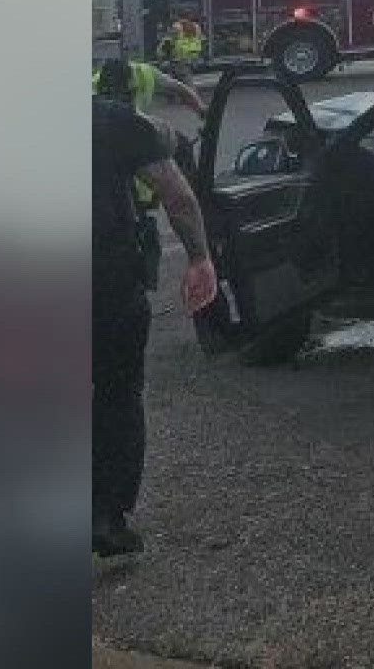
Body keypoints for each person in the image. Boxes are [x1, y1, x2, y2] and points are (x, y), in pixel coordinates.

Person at [93, 94, 217, 556]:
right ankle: (105, 515)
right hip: (108, 280)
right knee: (117, 390)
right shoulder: (114, 119)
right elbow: (177, 196)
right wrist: (200, 258)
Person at [93, 58, 206, 287]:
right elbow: (179, 200)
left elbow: (182, 90)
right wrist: (200, 257)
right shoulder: (100, 101)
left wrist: (202, 111)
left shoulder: (146, 75)